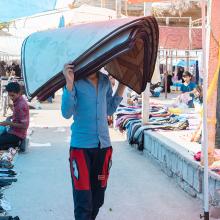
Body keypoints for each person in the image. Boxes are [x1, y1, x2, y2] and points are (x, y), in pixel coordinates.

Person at [61, 63, 125, 220]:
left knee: (97, 198)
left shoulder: (104, 81)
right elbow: (66, 113)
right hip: (81, 148)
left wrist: (122, 85)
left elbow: (109, 109)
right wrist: (69, 83)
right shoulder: (75, 81)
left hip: (103, 147)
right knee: (83, 200)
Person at [0, 82, 29, 150]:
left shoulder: (20, 105)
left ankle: (16, 144)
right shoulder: (18, 101)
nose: (11, 98)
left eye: (12, 95)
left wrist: (8, 123)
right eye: (9, 95)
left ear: (19, 93)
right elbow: (19, 116)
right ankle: (13, 144)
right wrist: (11, 115)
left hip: (17, 135)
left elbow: (24, 125)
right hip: (13, 131)